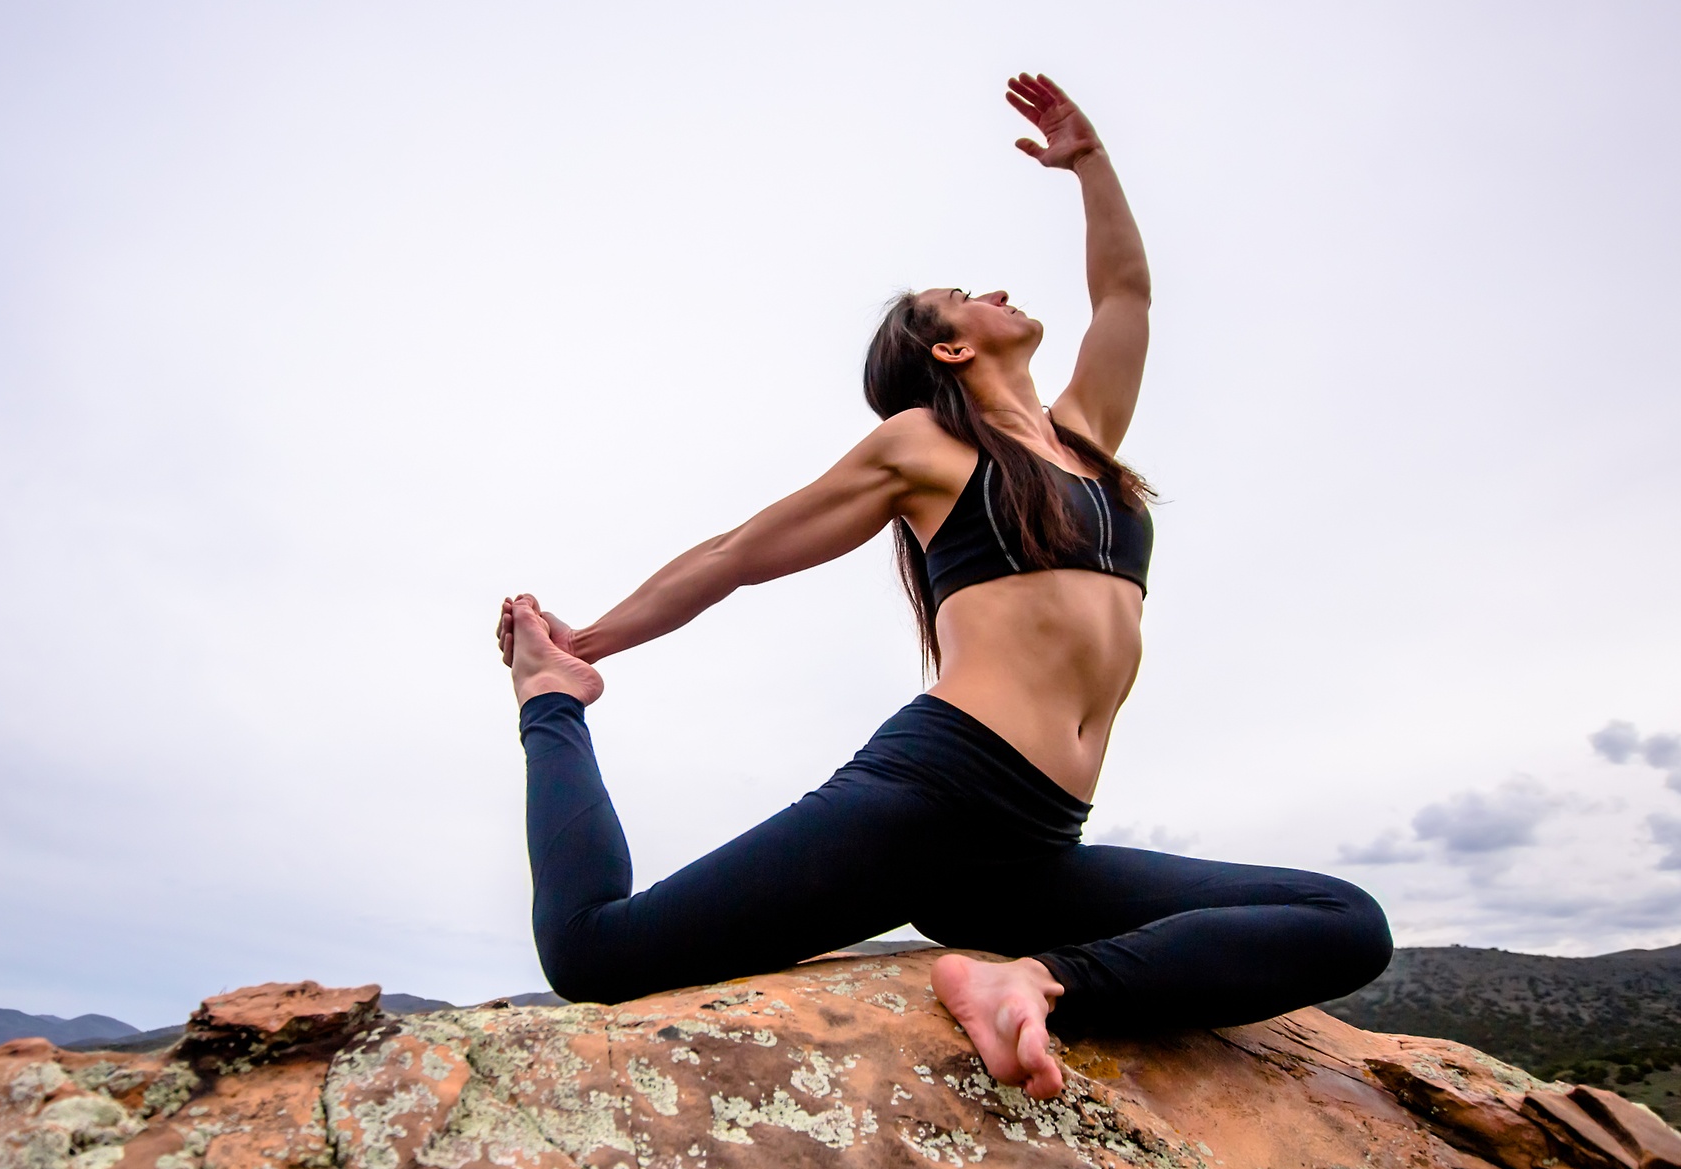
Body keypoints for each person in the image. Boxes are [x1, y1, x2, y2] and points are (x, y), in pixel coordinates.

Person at [495, 73, 1390, 1099]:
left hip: (1032, 850)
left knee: (1345, 924)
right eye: (967, 298)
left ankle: (1036, 985)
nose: (998, 292)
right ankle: (548, 709)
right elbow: (733, 553)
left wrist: (1089, 163)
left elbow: (1126, 296)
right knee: (593, 956)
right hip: (936, 797)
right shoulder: (924, 446)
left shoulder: (1086, 439)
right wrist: (587, 648)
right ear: (950, 349)